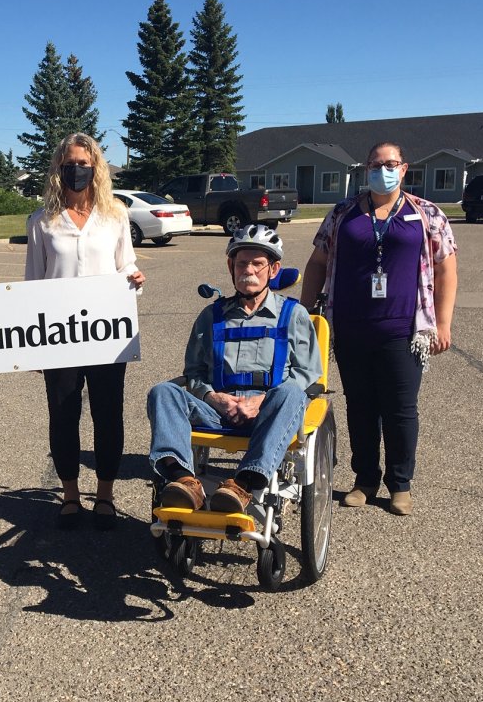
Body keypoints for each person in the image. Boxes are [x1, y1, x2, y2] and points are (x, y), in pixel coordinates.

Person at [299, 141, 458, 516]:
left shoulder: (426, 214)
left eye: (390, 164)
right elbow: (318, 262)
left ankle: (400, 484)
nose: (382, 170)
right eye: (375, 164)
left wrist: (443, 321)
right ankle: (365, 479)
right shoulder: (343, 214)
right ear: (365, 168)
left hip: (403, 329)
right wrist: (306, 314)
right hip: (352, 327)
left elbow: (446, 268)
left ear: (404, 169)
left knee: (401, 409)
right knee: (361, 407)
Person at [147, 225, 322, 516]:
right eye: (241, 263)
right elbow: (194, 372)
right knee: (163, 392)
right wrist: (213, 397)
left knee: (292, 393)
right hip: (218, 409)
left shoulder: (294, 315)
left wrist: (261, 401)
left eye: (257, 264)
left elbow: (308, 372)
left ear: (274, 269)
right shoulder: (211, 316)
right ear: (231, 267)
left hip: (270, 414)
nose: (249, 271)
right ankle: (183, 480)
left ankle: (243, 484)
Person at [24, 133, 146, 527]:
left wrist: (134, 278)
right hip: (59, 337)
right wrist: (32, 343)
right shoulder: (42, 221)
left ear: (96, 168)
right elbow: (33, 284)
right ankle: (71, 495)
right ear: (59, 170)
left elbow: (125, 265)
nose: (77, 171)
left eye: (84, 164)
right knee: (63, 415)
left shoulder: (115, 216)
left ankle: (106, 495)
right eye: (69, 164)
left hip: (106, 334)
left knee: (108, 415)